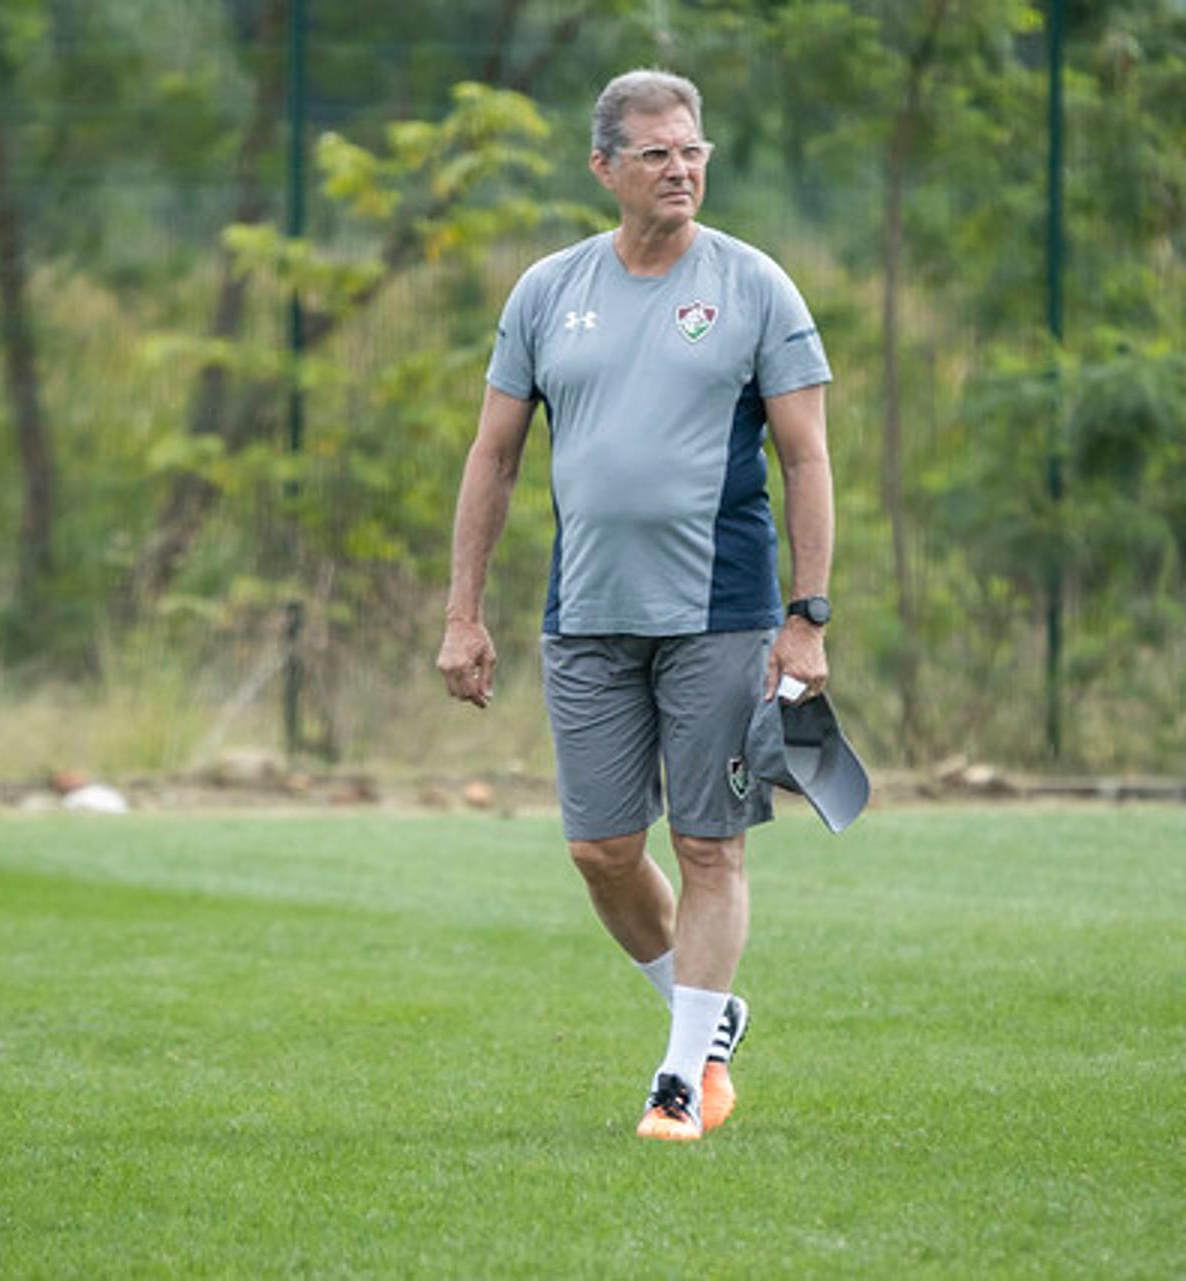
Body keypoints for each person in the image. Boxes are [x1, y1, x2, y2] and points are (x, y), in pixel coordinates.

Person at [435, 68, 836, 1142]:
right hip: (587, 615)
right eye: (657, 152)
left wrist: (808, 616)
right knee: (603, 851)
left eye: (694, 149)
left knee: (710, 846)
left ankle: (677, 1079)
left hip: (722, 611)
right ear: (605, 166)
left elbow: (806, 460)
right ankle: (706, 1016)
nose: (682, 169)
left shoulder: (755, 286)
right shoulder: (546, 291)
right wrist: (462, 614)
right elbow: (493, 457)